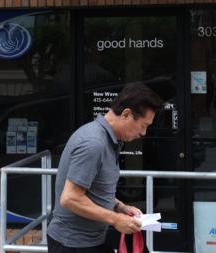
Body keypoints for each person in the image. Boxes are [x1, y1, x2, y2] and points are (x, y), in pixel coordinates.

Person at [47, 83, 163, 253]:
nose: (143, 133)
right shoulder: (94, 143)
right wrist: (116, 220)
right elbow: (70, 198)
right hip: (72, 245)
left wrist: (120, 207)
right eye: (144, 125)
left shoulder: (109, 140)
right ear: (126, 114)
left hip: (91, 241)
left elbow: (93, 189)